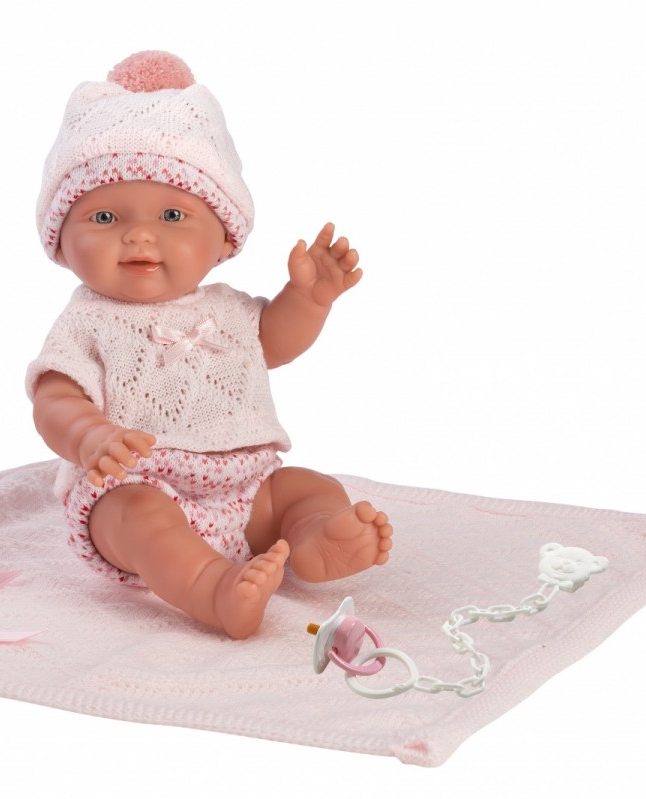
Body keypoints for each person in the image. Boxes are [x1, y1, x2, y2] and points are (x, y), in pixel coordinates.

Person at [27, 52, 392, 639]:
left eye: (173, 214)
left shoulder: (228, 309)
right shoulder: (87, 323)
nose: (139, 235)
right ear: (61, 243)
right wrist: (90, 436)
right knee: (139, 521)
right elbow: (53, 398)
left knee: (305, 487)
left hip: (247, 486)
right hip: (138, 485)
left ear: (224, 239)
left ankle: (312, 535)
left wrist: (309, 300)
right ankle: (212, 589)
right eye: (105, 217)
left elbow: (273, 343)